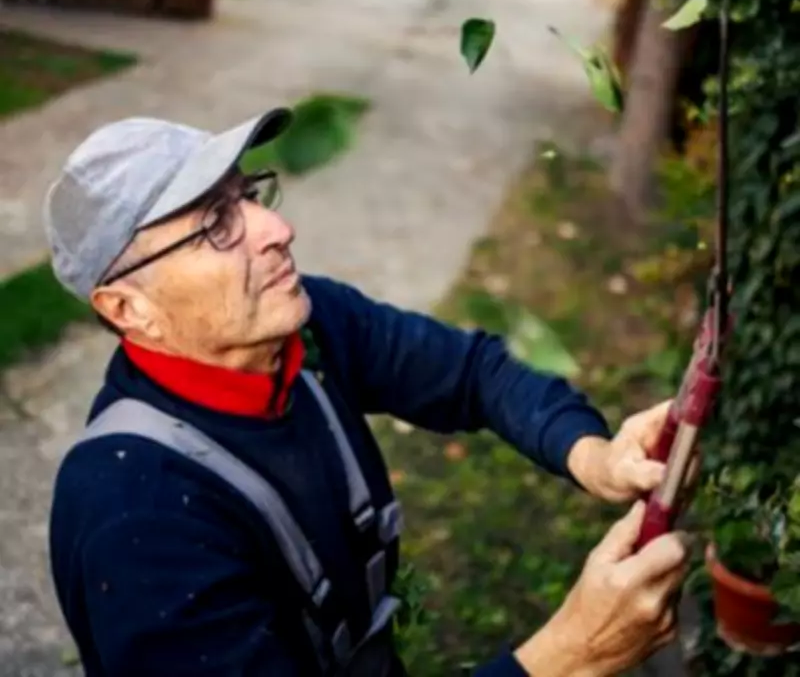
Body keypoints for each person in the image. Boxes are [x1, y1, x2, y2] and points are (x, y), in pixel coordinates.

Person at [44, 107, 693, 677]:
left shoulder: (308, 327)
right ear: (129, 309)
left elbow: (474, 372)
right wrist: (570, 655)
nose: (276, 229)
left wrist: (593, 457)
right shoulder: (134, 520)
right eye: (215, 224)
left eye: (248, 196)